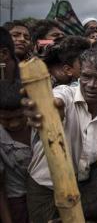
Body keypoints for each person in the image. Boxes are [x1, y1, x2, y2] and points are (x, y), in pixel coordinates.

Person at [25, 49, 97, 222]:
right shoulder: (64, 93)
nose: (91, 84)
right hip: (44, 186)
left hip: (83, 188)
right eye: (86, 76)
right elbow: (55, 103)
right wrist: (48, 110)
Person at [0, 80, 31, 223]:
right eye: (6, 119)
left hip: (47, 195)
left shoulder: (39, 123)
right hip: (17, 201)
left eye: (20, 117)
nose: (14, 123)